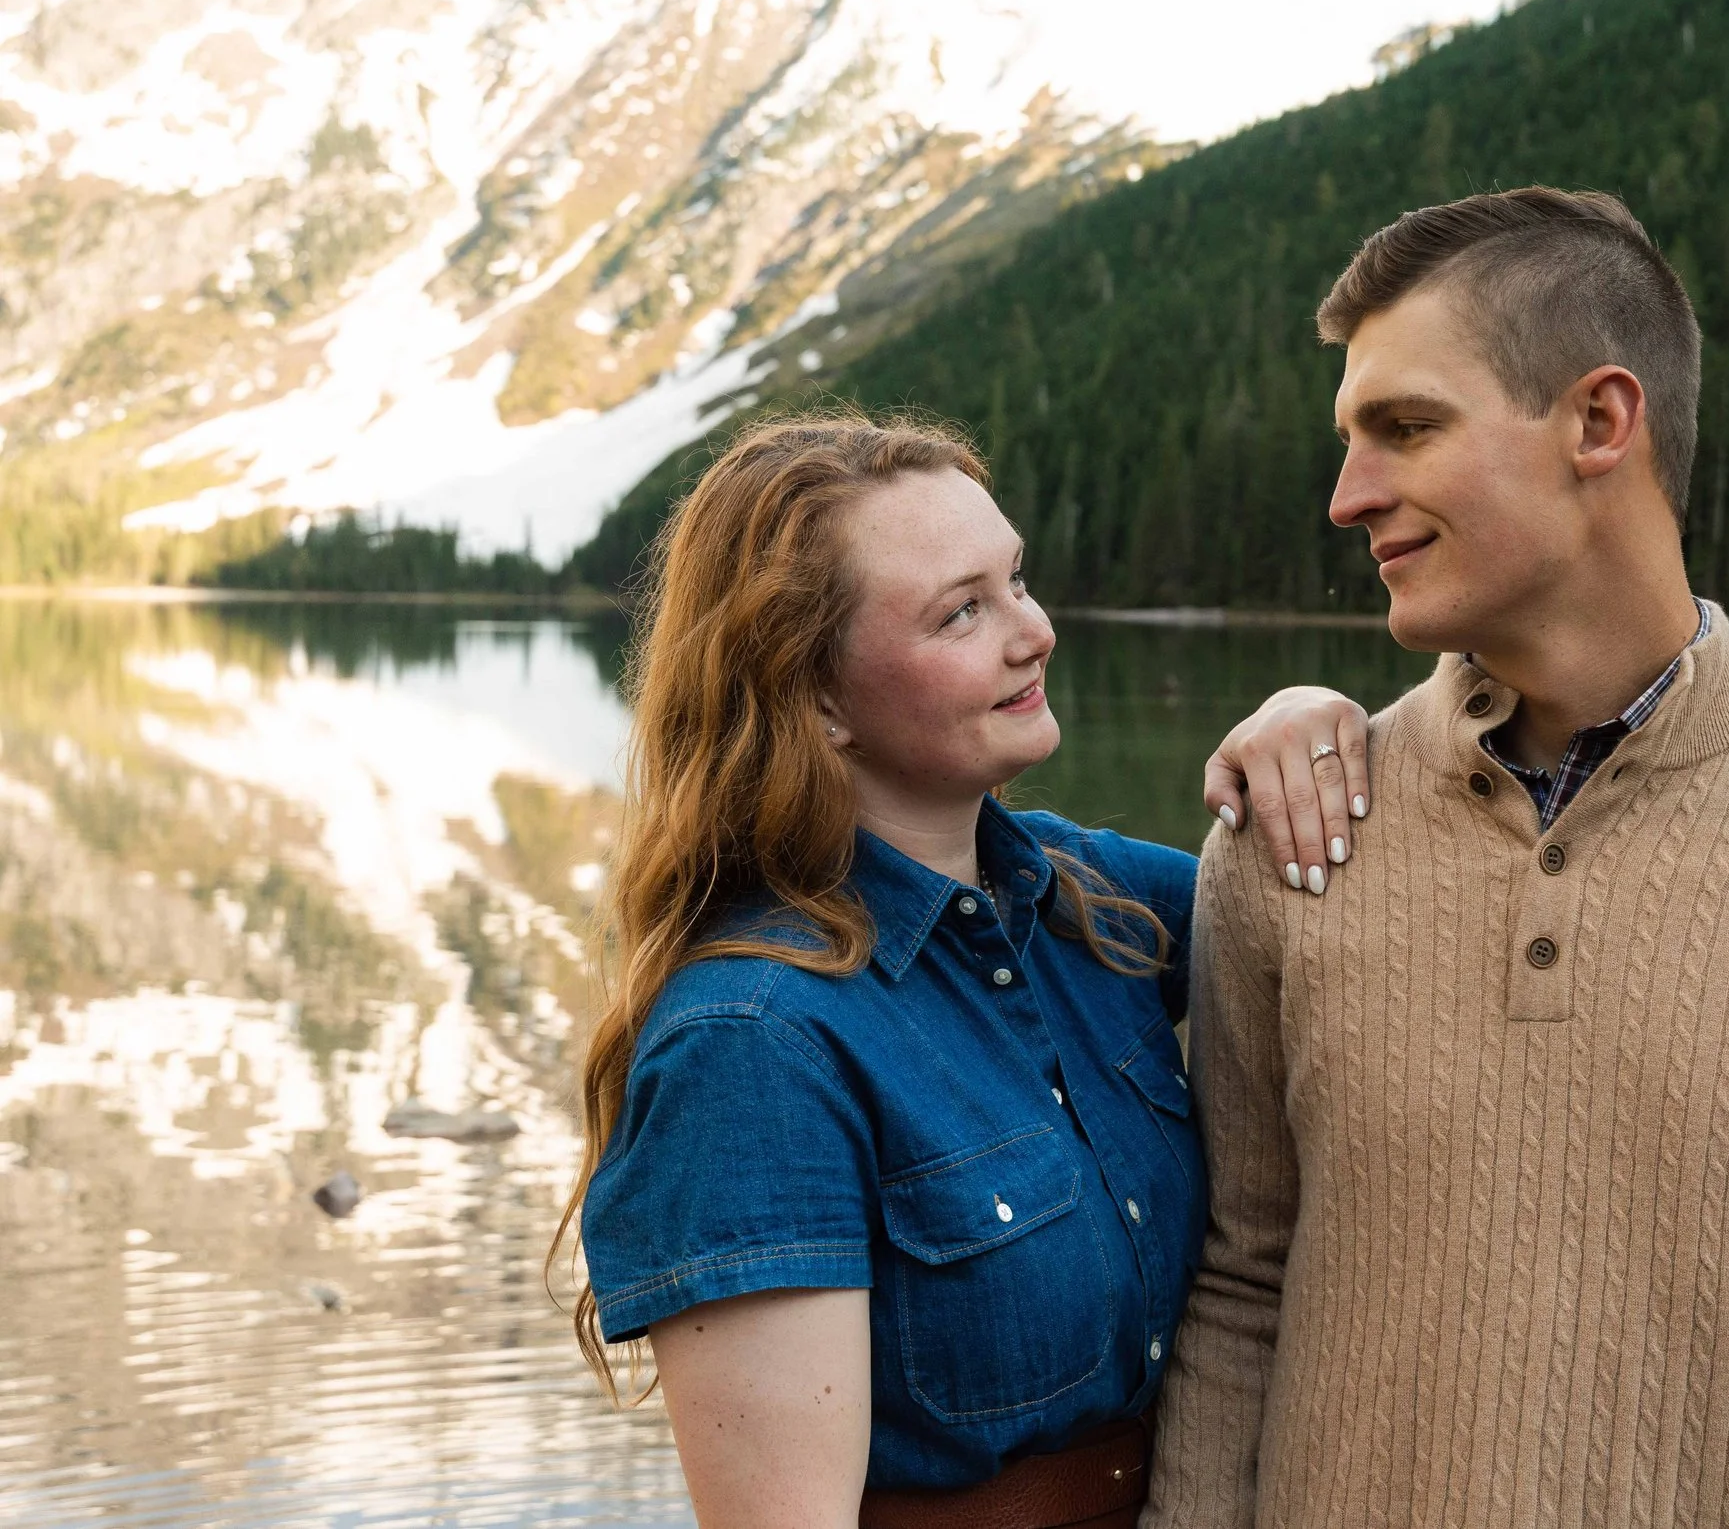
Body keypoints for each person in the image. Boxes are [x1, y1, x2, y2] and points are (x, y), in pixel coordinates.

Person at [1155, 188, 1729, 1528]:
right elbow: (1241, 1283)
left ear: (1601, 420)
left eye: (1406, 427)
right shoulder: (1298, 835)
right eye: (1351, 439)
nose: (1348, 495)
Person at [552, 412, 1364, 1529]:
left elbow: (1349, 929)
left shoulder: (1090, 898)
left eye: (1016, 579)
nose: (1033, 632)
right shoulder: (749, 1044)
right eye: (962, 610)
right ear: (819, 697)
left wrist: (1310, 721)